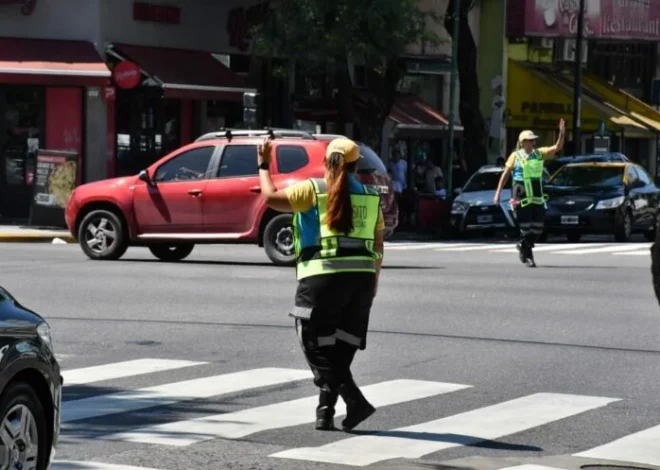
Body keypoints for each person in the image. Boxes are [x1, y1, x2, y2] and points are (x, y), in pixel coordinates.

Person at [256, 136, 385, 432]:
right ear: (356, 166)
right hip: (362, 281)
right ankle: (324, 411)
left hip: (321, 277)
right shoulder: (369, 196)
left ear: (326, 162)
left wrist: (264, 164)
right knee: (340, 348)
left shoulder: (314, 190)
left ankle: (354, 401)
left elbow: (270, 198)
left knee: (314, 345)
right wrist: (374, 284)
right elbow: (379, 246)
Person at [493, 119, 565, 267]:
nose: (532, 143)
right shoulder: (515, 156)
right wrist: (498, 193)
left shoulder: (539, 154)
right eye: (529, 141)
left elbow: (557, 147)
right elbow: (505, 175)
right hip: (520, 192)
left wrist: (562, 133)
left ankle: (523, 245)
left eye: (533, 141)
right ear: (522, 142)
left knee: (538, 227)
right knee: (526, 226)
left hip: (536, 192)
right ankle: (528, 255)